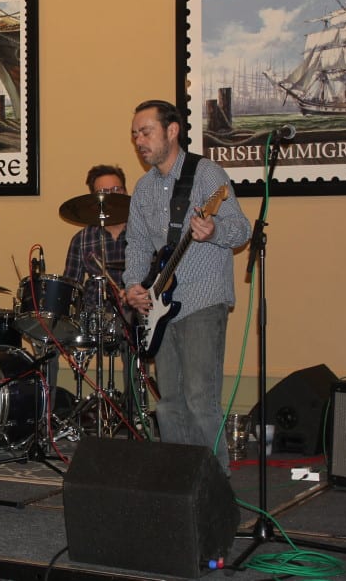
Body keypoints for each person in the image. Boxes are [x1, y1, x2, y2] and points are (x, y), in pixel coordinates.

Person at [122, 99, 250, 472]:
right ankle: (178, 480)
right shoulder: (144, 188)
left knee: (199, 399)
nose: (139, 141)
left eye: (146, 132)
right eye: (135, 135)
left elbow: (241, 229)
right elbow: (138, 245)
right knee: (169, 403)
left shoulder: (206, 173)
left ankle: (215, 483)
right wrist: (133, 285)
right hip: (161, 308)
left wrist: (213, 230)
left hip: (202, 299)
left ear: (172, 130)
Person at [56, 165, 129, 395]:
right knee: (49, 334)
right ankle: (50, 407)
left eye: (117, 189)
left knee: (134, 331)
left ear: (126, 191)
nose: (112, 196)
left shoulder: (144, 233)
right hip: (92, 316)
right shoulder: (82, 239)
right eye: (104, 192)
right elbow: (72, 286)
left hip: (132, 314)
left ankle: (134, 406)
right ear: (94, 199)